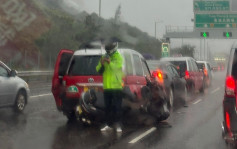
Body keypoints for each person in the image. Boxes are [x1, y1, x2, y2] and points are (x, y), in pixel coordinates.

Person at [96, 39, 124, 132]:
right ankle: (108, 124)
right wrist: (102, 63)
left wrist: (109, 62)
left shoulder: (118, 57)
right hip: (107, 86)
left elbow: (117, 68)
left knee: (117, 107)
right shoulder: (104, 56)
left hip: (116, 86)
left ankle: (118, 125)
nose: (108, 50)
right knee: (107, 107)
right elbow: (98, 69)